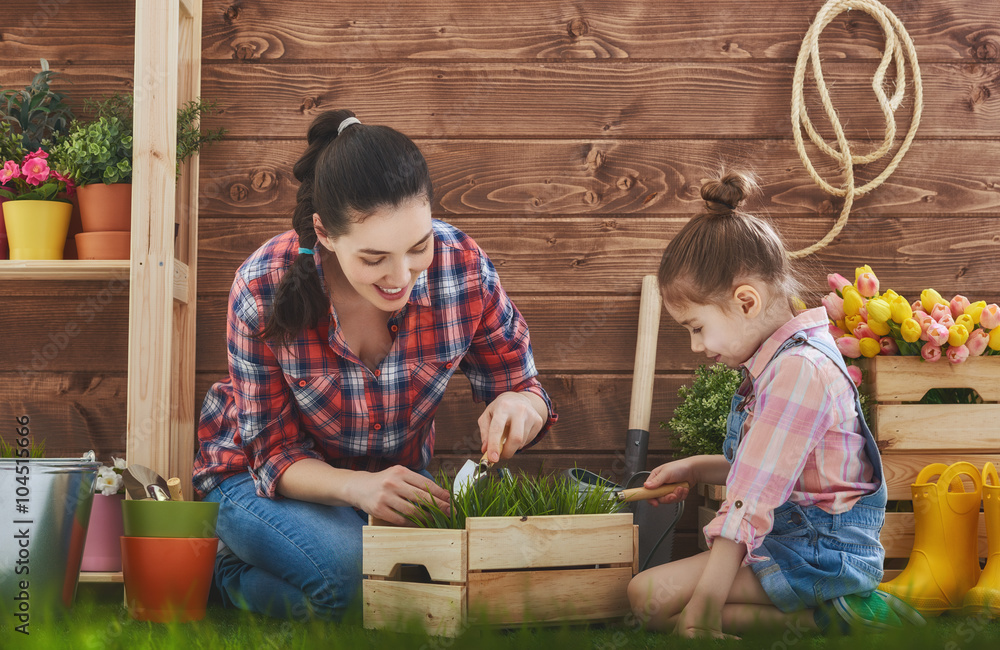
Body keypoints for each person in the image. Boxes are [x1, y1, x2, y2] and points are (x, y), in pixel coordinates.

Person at [192, 110, 557, 621]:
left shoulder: (462, 266)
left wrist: (521, 404)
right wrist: (358, 488)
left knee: (411, 592)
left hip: (385, 491)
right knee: (357, 580)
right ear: (324, 232)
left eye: (418, 247)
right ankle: (228, 573)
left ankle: (295, 573)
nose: (400, 275)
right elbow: (272, 455)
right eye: (373, 259)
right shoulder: (261, 285)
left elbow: (523, 385)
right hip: (256, 482)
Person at [627, 171, 923, 638]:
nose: (695, 347)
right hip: (788, 543)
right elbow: (777, 471)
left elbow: (754, 495)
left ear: (746, 302)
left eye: (696, 327)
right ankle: (824, 624)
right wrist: (696, 468)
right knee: (650, 601)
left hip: (819, 557)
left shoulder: (797, 371)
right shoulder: (781, 363)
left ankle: (849, 615)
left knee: (649, 598)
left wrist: (704, 608)